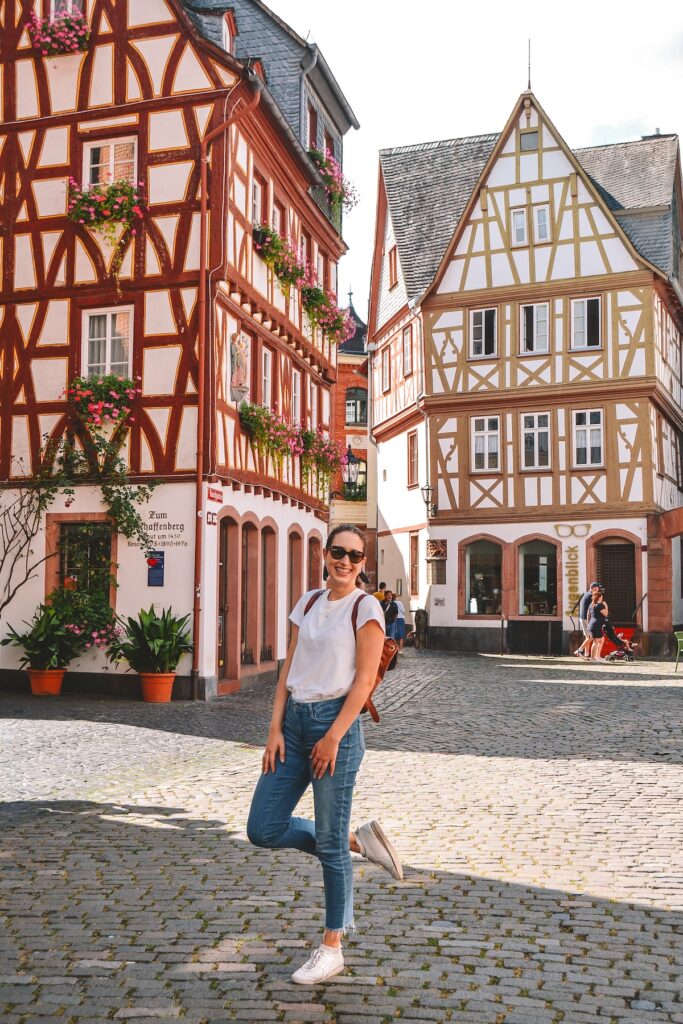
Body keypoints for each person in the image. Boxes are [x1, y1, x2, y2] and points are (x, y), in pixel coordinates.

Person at [246, 524, 403, 986]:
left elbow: (363, 683)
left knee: (328, 846)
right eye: (339, 552)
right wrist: (274, 728)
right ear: (325, 553)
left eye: (356, 557)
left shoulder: (366, 607)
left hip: (336, 727)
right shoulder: (310, 602)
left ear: (363, 565)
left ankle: (332, 944)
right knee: (263, 826)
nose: (346, 562)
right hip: (294, 724)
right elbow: (288, 667)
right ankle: (356, 841)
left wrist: (334, 736)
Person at [574, 582, 602, 659]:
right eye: (598, 588)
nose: (599, 589)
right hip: (586, 618)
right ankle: (579, 650)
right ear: (593, 588)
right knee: (591, 637)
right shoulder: (591, 595)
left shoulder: (586, 594)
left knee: (588, 637)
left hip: (583, 617)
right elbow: (594, 607)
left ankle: (586, 654)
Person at [587, 588, 608, 660]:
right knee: (595, 642)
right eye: (601, 597)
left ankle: (597, 656)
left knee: (601, 640)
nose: (602, 598)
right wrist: (606, 606)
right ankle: (593, 658)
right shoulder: (599, 605)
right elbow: (605, 614)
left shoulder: (591, 605)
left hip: (593, 624)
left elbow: (588, 615)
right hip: (596, 625)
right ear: (599, 597)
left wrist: (588, 624)